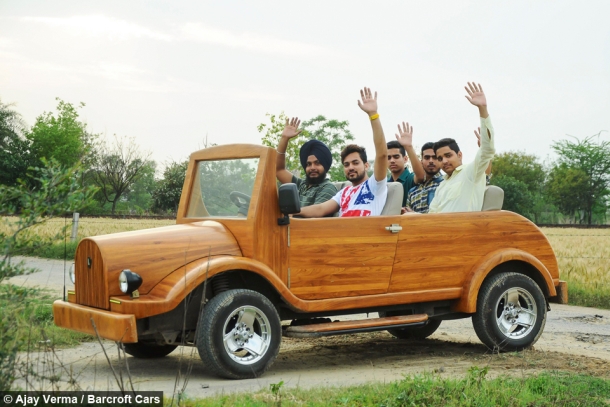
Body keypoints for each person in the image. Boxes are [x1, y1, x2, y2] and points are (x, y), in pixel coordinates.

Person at [298, 87, 388, 217]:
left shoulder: (375, 185)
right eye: (346, 165)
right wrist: (291, 212)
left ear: (366, 165)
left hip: (364, 235)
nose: (350, 167)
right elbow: (320, 209)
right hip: (340, 235)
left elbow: (382, 154)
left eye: (355, 163)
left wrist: (373, 115)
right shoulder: (344, 193)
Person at [428, 82, 495, 213]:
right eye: (440, 158)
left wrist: (482, 109)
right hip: (441, 232)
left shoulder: (471, 173)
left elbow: (487, 150)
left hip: (464, 232)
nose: (445, 161)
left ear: (459, 155)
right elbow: (431, 216)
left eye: (448, 155)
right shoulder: (441, 186)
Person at [276, 117, 337, 210]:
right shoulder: (302, 185)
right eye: (308, 164)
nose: (312, 167)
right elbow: (279, 170)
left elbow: (315, 214)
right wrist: (284, 138)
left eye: (317, 163)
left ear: (325, 166)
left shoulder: (327, 188)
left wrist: (289, 215)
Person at [386, 127, 425, 210]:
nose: (392, 160)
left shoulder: (410, 178)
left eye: (396, 157)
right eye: (388, 158)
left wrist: (409, 147)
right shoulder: (386, 184)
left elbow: (421, 176)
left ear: (405, 159)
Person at [404, 142, 443, 213]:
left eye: (435, 157)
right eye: (427, 158)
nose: (431, 161)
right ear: (421, 161)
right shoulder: (412, 191)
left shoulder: (445, 184)